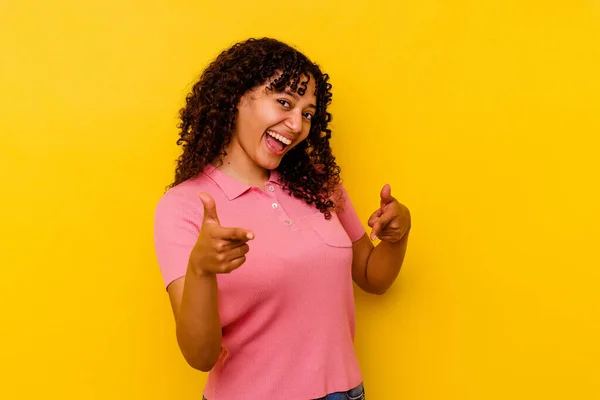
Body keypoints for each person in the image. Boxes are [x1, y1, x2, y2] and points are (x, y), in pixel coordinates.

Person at [153, 37, 411, 400]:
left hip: (347, 393)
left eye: (307, 114)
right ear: (238, 97)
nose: (296, 125)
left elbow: (372, 276)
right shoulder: (184, 206)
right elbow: (200, 355)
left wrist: (397, 236)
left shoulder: (319, 183)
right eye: (284, 103)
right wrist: (201, 269)